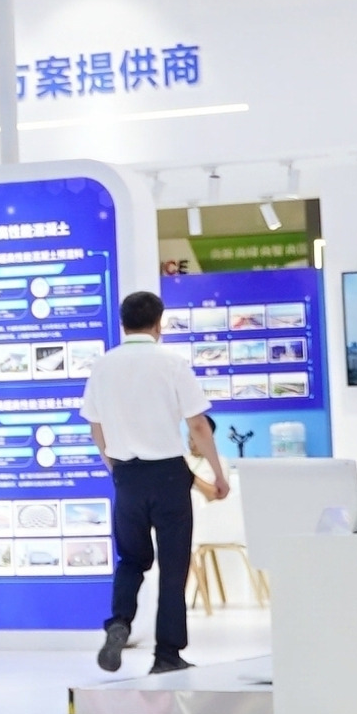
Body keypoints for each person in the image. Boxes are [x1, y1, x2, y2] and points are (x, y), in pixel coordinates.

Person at [80, 289, 225, 675]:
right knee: (174, 567)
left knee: (131, 559)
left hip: (127, 475)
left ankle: (119, 623)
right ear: (159, 324)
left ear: (122, 324)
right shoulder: (172, 363)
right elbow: (198, 425)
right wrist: (217, 473)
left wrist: (114, 467)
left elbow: (96, 427)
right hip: (169, 476)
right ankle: (166, 654)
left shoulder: (103, 366)